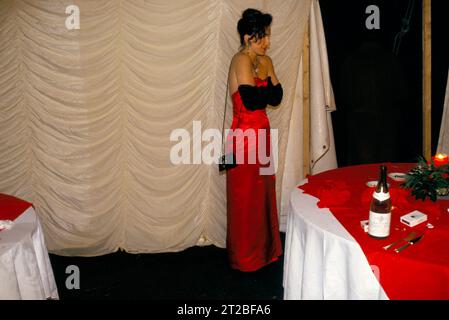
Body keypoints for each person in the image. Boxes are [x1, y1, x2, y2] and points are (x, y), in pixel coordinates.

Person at [225, 8, 283, 272]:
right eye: (263, 38)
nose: (267, 43)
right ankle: (246, 258)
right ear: (248, 37)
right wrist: (267, 83)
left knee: (263, 195)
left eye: (267, 37)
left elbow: (277, 97)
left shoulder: (265, 61)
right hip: (245, 139)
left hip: (262, 135)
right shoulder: (241, 60)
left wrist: (268, 76)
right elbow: (251, 100)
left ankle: (264, 254)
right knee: (245, 199)